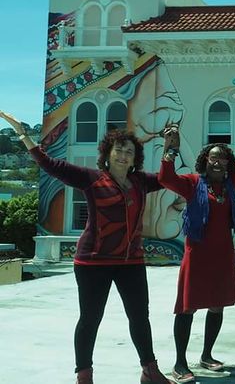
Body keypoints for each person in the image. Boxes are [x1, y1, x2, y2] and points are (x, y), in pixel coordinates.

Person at [0, 111, 175, 384]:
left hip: (131, 261)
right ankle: (84, 374)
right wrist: (24, 135)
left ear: (134, 159)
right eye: (118, 150)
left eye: (129, 152)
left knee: (140, 317)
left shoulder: (141, 182)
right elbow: (50, 165)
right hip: (93, 262)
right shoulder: (91, 178)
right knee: (90, 318)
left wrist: (169, 148)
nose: (123, 155)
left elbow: (167, 178)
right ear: (107, 153)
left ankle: (149, 371)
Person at [158, 102, 235, 383]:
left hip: (223, 255)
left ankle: (206, 355)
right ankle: (180, 363)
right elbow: (165, 178)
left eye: (223, 158)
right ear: (205, 161)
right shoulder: (192, 183)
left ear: (228, 163)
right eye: (213, 158)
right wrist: (170, 148)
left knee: (217, 305)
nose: (217, 162)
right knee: (187, 307)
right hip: (197, 255)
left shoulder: (230, 184)